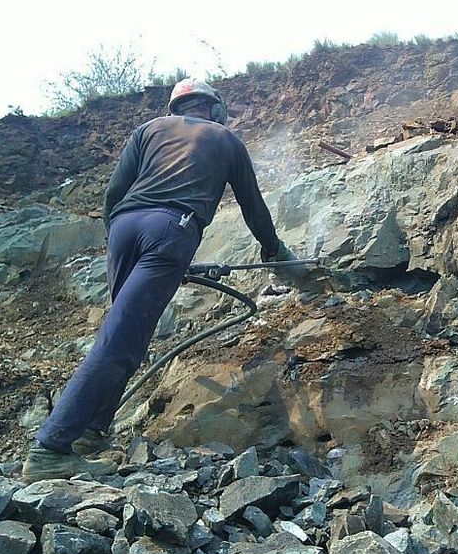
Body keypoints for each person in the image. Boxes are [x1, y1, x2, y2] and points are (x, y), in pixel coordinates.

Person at [22, 79, 306, 482]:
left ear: (175, 107)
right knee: (120, 340)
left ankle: (90, 433)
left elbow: (114, 194)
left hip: (124, 228)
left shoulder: (148, 130)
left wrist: (127, 242)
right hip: (173, 228)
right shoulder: (225, 138)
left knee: (123, 334)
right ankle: (50, 448)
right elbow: (253, 207)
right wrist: (274, 250)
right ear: (216, 109)